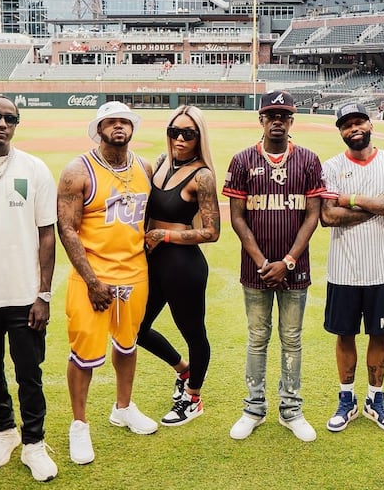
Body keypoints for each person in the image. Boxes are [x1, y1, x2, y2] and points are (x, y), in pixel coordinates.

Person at [57, 101, 157, 466]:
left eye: (124, 121)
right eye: (111, 121)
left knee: (128, 346)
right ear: (98, 128)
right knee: (84, 355)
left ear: (132, 128)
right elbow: (66, 228)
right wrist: (91, 280)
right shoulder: (77, 170)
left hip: (134, 274)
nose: (119, 126)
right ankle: (79, 425)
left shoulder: (144, 167)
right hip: (92, 279)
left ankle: (124, 408)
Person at [223, 90, 325, 442]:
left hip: (295, 269)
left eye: (284, 115)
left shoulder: (309, 160)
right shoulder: (242, 160)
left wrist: (289, 261)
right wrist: (264, 262)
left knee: (292, 339)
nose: (277, 120)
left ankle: (291, 409)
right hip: (256, 270)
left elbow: (313, 215)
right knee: (257, 338)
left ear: (291, 121)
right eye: (271, 115)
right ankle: (253, 408)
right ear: (261, 120)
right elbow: (237, 218)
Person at [320, 102, 384, 434]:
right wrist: (378, 203)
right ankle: (347, 399)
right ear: (341, 131)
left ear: (370, 124)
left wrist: (353, 199)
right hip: (343, 268)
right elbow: (328, 217)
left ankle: (374, 398)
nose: (353, 128)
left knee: (379, 334)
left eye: (359, 122)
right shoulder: (331, 166)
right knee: (344, 334)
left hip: (382, 265)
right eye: (346, 125)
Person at [0, 95, 58, 482]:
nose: (2, 123)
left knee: (29, 374)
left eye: (11, 118)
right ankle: (4, 432)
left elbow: (48, 235)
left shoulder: (33, 168)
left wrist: (43, 294)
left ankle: (33, 444)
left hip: (25, 295)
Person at [137, 105, 220, 426]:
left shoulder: (202, 176)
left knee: (194, 333)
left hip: (183, 266)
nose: (180, 139)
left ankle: (194, 397)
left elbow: (212, 232)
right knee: (137, 330)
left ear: (199, 137)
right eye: (175, 132)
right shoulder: (160, 163)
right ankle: (183, 370)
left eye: (189, 134)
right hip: (152, 261)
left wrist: (163, 234)